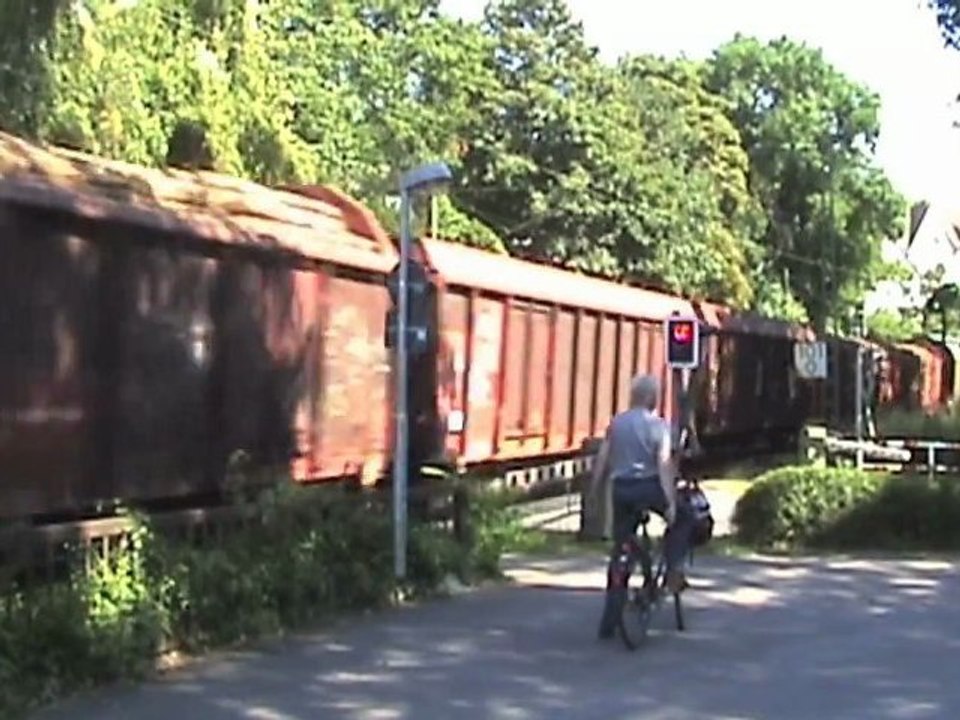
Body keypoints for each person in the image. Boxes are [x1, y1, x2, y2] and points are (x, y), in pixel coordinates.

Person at [591, 373, 695, 640]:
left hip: (621, 489)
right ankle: (673, 569)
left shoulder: (616, 423)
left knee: (620, 548)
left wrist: (595, 490)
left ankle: (608, 621)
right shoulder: (658, 426)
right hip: (648, 488)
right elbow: (663, 465)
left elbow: (603, 459)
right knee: (684, 516)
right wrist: (670, 502)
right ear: (652, 398)